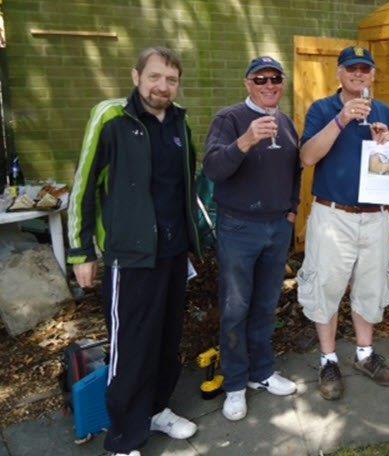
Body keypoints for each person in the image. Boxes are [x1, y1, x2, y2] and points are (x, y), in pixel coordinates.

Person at [68, 47, 200, 456]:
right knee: (132, 345)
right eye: (155, 77)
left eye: (171, 79)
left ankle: (157, 409)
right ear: (137, 76)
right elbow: (84, 185)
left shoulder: (181, 120)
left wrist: (193, 244)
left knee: (166, 337)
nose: (163, 86)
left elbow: (184, 186)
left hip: (174, 252)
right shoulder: (112, 117)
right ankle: (123, 440)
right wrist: (81, 252)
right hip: (131, 256)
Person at [298, 46, 389, 401]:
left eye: (365, 70)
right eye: (352, 69)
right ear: (339, 73)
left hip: (374, 217)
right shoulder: (323, 109)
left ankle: (364, 354)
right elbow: (308, 156)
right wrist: (341, 120)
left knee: (370, 287)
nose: (359, 75)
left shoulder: (384, 111)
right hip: (333, 215)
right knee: (326, 286)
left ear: (373, 76)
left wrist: (386, 145)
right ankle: (328, 359)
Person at [203, 56, 301, 421]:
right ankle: (234, 383)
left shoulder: (287, 123)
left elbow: (296, 169)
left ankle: (261, 373)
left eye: (275, 78)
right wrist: (245, 140)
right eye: (260, 79)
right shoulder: (229, 119)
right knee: (235, 309)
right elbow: (214, 169)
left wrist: (292, 209)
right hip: (239, 228)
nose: (269, 84)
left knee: (265, 305)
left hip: (277, 228)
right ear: (248, 84)